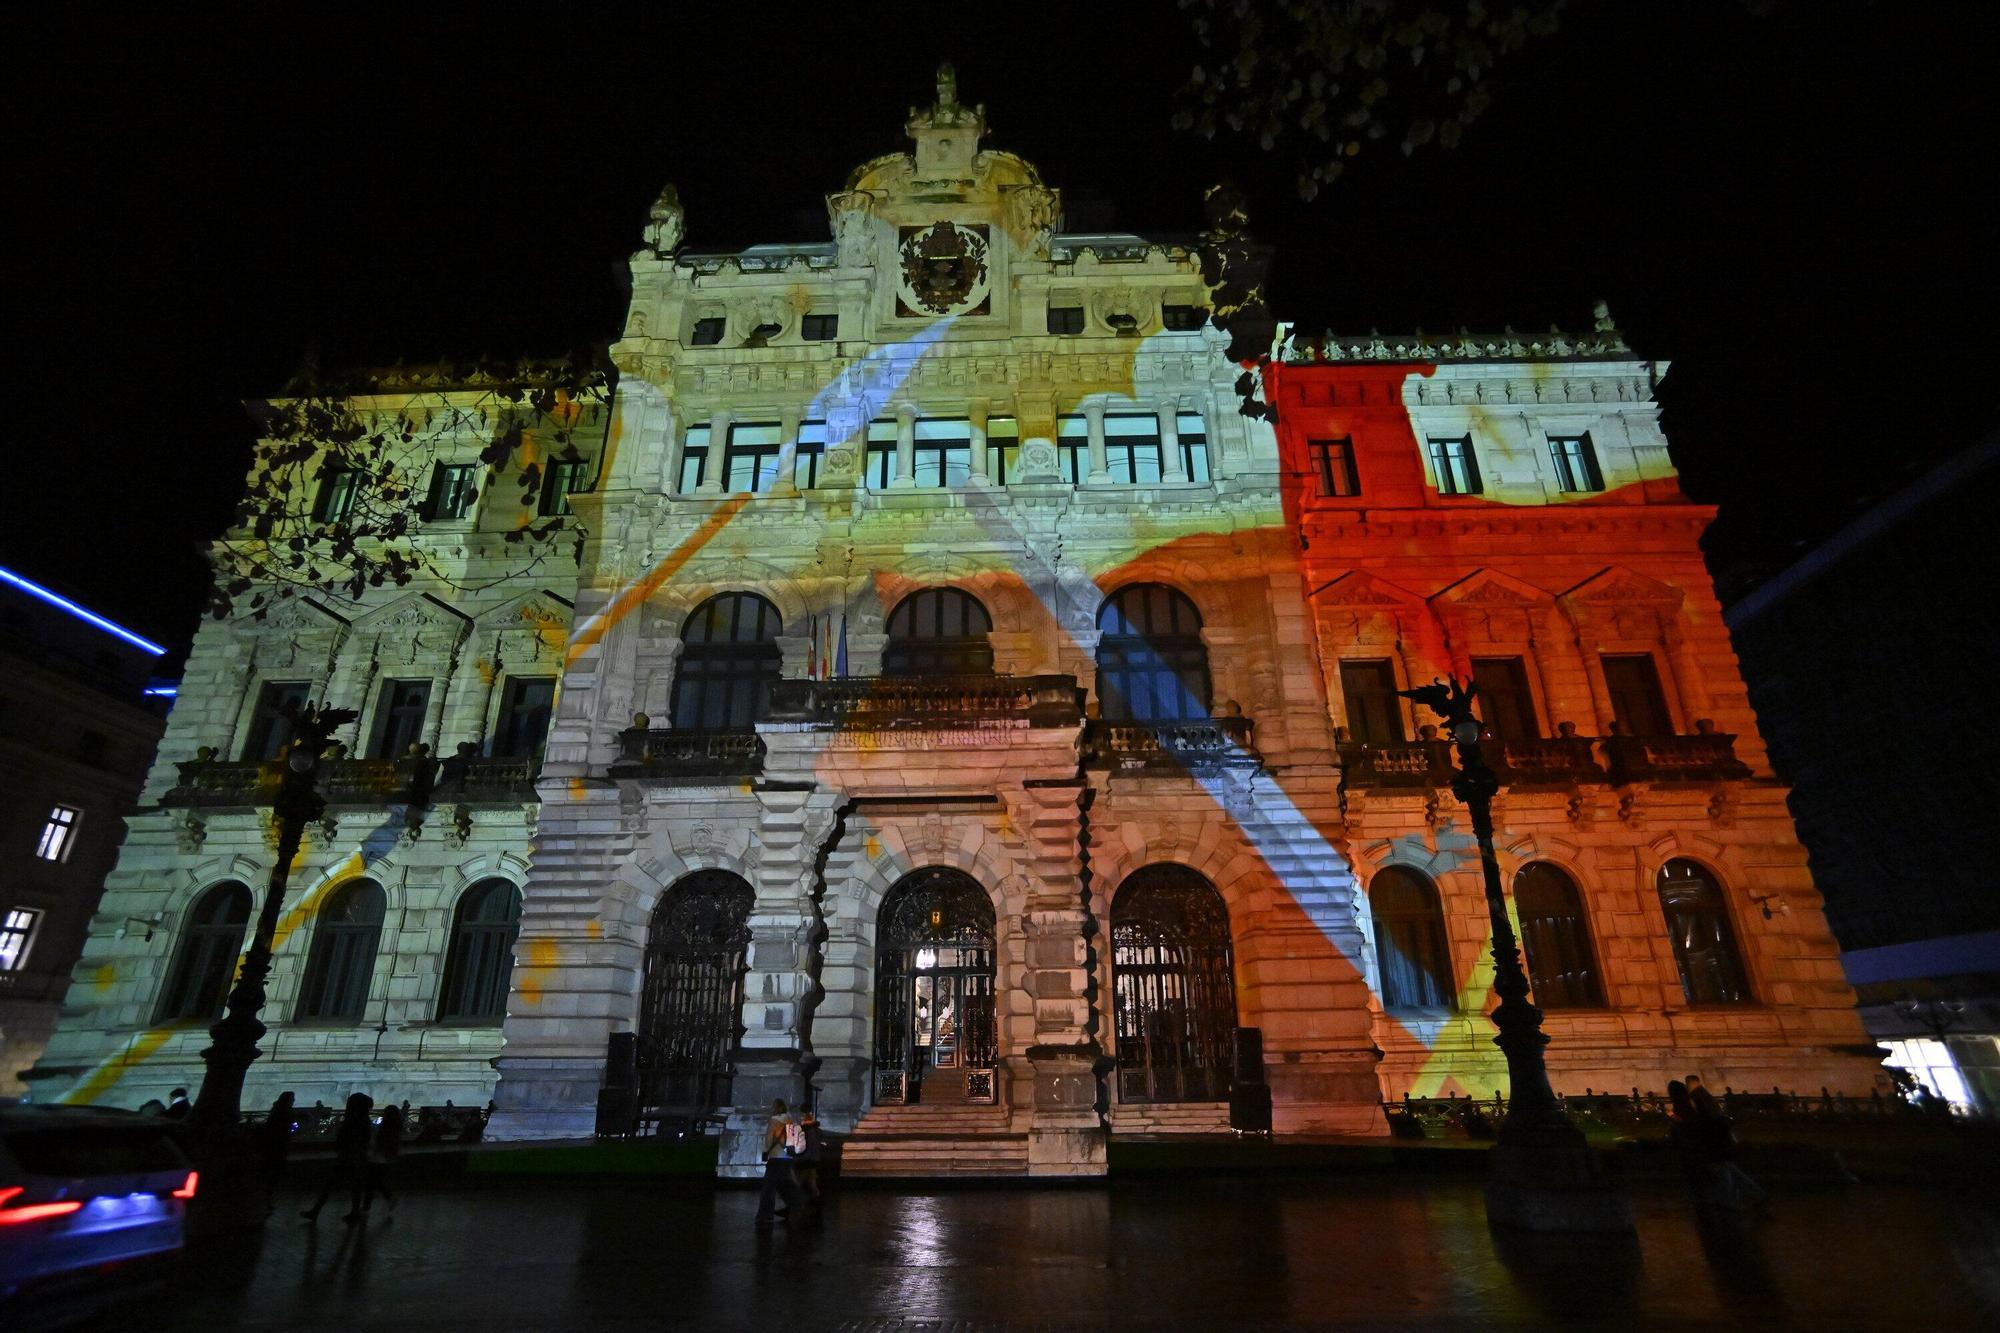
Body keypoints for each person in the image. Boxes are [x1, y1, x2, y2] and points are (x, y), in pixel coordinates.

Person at [1687, 1075, 1768, 1214]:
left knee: (1724, 1172)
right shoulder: (1706, 1096)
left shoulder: (1697, 1097)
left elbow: (1702, 1120)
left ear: (1690, 1084)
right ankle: (1757, 1194)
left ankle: (1728, 1203)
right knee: (1728, 1169)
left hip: (1714, 1140)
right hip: (1721, 1138)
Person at [302, 1093, 373, 1224]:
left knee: (332, 1184)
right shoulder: (364, 1120)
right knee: (353, 1186)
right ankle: (353, 1212)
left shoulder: (353, 1120)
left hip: (348, 1156)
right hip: (357, 1156)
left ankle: (316, 1211)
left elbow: (345, 1137)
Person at [754, 1098, 802, 1224]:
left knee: (768, 1188)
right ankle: (798, 1206)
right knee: (786, 1185)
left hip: (776, 1156)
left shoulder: (774, 1121)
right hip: (788, 1156)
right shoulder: (790, 1121)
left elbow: (769, 1139)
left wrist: (765, 1150)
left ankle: (765, 1215)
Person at [260, 1091, 298, 1213]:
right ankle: (266, 1200)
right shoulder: (286, 1114)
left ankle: (263, 1200)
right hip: (279, 1148)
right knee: (273, 1176)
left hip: (271, 1147)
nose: (294, 1101)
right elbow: (290, 1129)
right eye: (292, 1099)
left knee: (268, 1175)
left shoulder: (275, 1113)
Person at [364, 1103, 404, 1214]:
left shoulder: (381, 1127)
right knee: (375, 1182)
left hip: (376, 1158)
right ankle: (387, 1200)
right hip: (386, 1159)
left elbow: (374, 1140)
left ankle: (367, 1208)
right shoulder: (395, 1128)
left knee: (372, 1183)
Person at [794, 1110, 824, 1208]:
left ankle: (794, 1205)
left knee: (798, 1182)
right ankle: (816, 1204)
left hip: (806, 1160)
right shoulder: (817, 1131)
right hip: (814, 1159)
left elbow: (804, 1147)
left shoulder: (806, 1131)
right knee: (812, 1183)